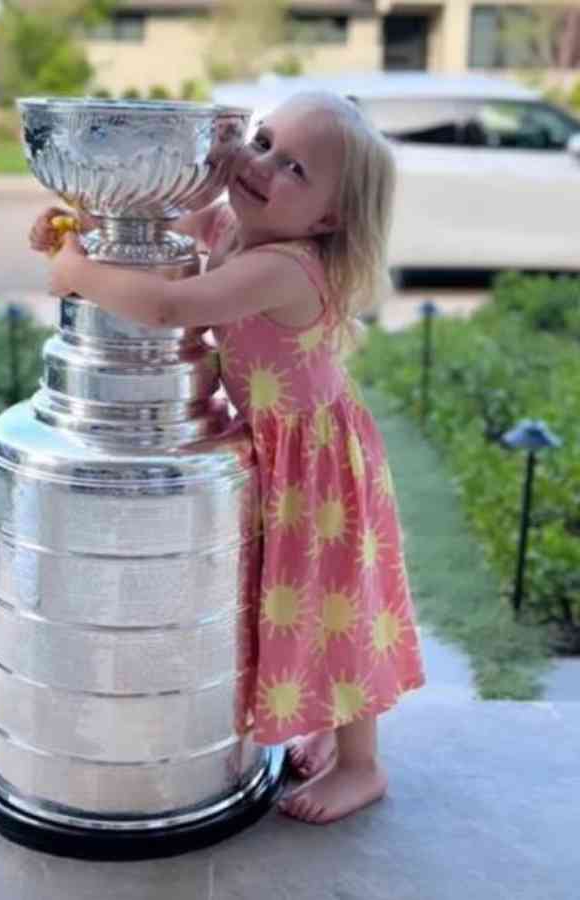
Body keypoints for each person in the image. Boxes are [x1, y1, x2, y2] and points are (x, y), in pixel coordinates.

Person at [31, 91, 426, 825]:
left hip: (317, 465)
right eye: (265, 139)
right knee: (302, 604)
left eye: (295, 167)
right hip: (284, 448)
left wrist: (79, 276)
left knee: (332, 606)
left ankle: (363, 766)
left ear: (328, 220)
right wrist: (81, 231)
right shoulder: (232, 226)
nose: (261, 163)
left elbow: (167, 307)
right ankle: (322, 724)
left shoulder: (287, 265)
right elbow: (152, 249)